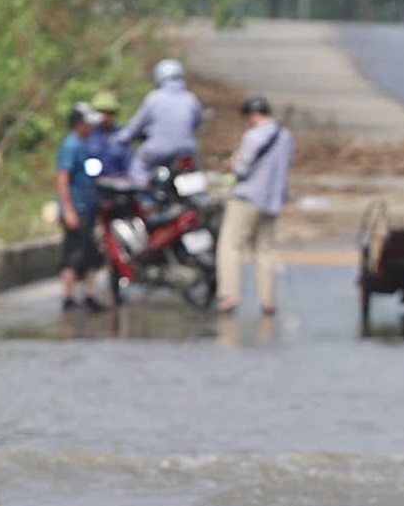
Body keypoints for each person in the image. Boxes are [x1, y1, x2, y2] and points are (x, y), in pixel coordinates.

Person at [218, 95, 293, 316]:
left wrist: (233, 163)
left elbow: (242, 170)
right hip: (273, 199)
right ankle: (267, 300)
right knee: (266, 250)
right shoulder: (285, 136)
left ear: (251, 116)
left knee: (231, 246)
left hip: (247, 198)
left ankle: (229, 294)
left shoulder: (252, 136)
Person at [52, 103, 108, 313]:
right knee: (74, 255)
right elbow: (62, 178)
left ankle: (88, 295)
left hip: (86, 208)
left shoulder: (81, 144)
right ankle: (68, 297)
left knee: (90, 254)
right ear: (78, 124)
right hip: (76, 209)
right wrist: (68, 210)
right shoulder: (71, 146)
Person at [121, 58, 205, 180]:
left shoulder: (154, 98)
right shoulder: (191, 99)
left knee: (139, 165)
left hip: (158, 151)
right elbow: (198, 124)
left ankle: (142, 196)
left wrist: (122, 138)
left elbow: (136, 126)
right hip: (187, 151)